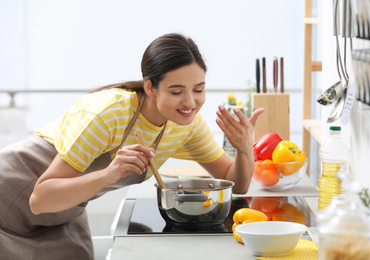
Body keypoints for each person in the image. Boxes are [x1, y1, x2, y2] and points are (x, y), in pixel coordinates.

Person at [0, 33, 265, 259]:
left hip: (63, 210)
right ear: (150, 87)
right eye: (176, 91)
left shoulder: (187, 126)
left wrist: (244, 149)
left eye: (198, 89)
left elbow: (236, 184)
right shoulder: (108, 114)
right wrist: (108, 174)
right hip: (11, 193)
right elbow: (39, 199)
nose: (190, 102)